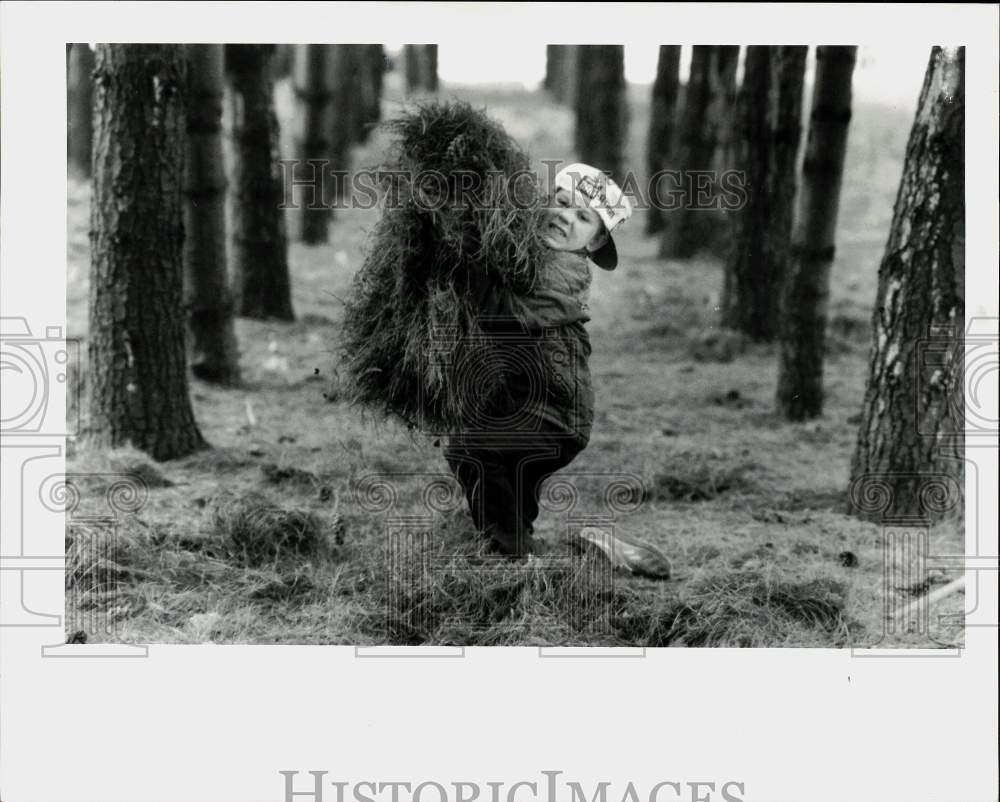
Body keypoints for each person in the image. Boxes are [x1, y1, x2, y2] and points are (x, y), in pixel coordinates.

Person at [442, 163, 672, 579]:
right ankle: (590, 553)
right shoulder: (528, 255)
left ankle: (513, 566)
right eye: (562, 203)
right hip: (522, 404)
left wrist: (469, 266)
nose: (566, 217)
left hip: (553, 415)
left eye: (583, 217)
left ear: (597, 240)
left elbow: (507, 315)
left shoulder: (566, 271)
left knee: (470, 449)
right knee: (510, 500)